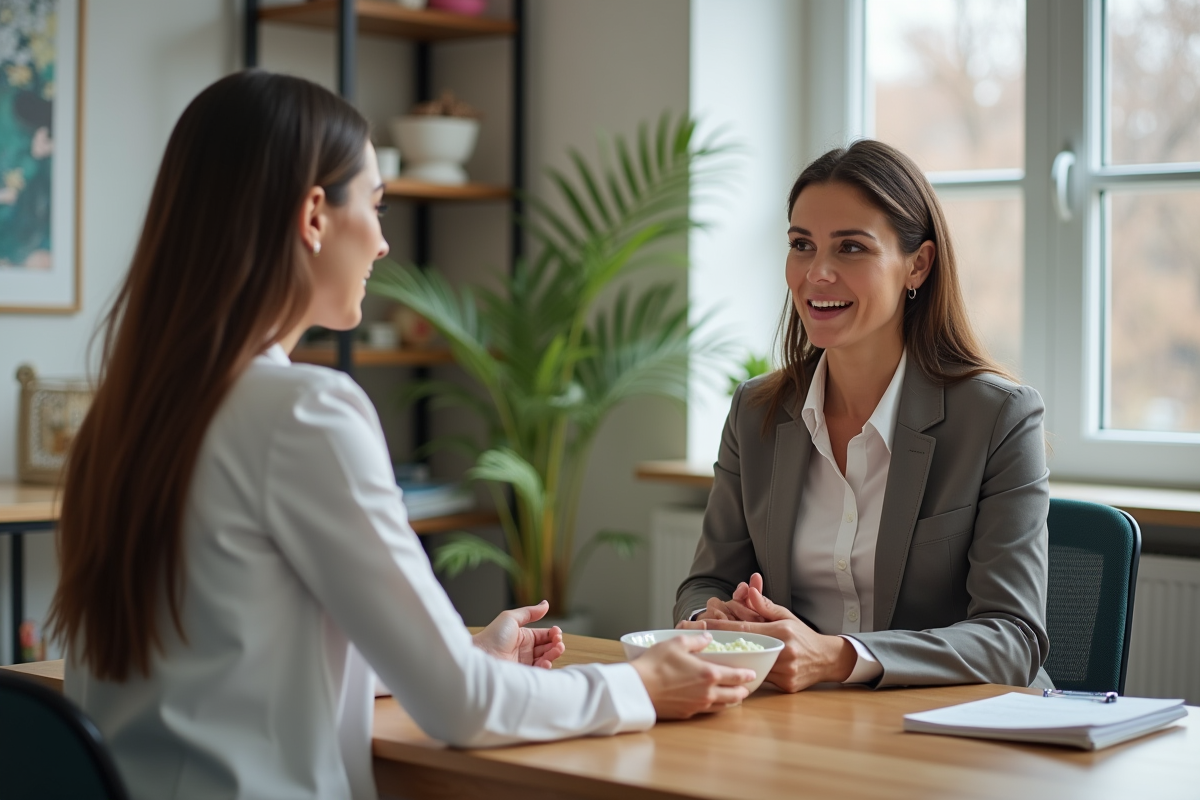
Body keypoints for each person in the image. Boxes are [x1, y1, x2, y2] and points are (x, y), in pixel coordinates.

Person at [48, 71, 755, 800]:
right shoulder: (302, 412)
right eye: (376, 206)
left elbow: (231, 652)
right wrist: (637, 685)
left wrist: (458, 653)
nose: (384, 244)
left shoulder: (124, 418)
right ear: (314, 215)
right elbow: (462, 707)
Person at [675, 139, 1052, 693]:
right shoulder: (756, 412)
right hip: (799, 724)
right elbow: (706, 580)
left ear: (917, 265)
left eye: (851, 248)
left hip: (953, 734)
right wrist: (711, 621)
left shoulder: (998, 418)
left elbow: (1012, 638)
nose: (818, 273)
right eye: (802, 245)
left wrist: (839, 657)